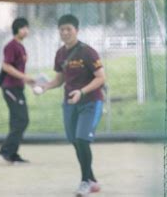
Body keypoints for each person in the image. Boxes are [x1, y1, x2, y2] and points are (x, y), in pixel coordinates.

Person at [37, 14, 105, 197]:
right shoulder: (60, 54)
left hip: (91, 102)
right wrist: (46, 86)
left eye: (69, 29)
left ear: (77, 30)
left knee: (82, 139)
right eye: (62, 29)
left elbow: (101, 78)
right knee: (76, 141)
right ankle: (92, 180)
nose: (65, 33)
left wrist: (81, 92)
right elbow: (59, 79)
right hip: (69, 104)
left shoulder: (88, 52)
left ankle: (85, 182)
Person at [0, 17, 35, 164]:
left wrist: (30, 82)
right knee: (22, 120)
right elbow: (6, 66)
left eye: (27, 27)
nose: (26, 30)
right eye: (23, 28)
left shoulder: (21, 46)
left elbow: (18, 69)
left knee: (17, 121)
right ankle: (7, 151)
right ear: (16, 30)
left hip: (18, 87)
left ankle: (12, 154)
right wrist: (25, 77)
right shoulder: (11, 46)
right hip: (10, 88)